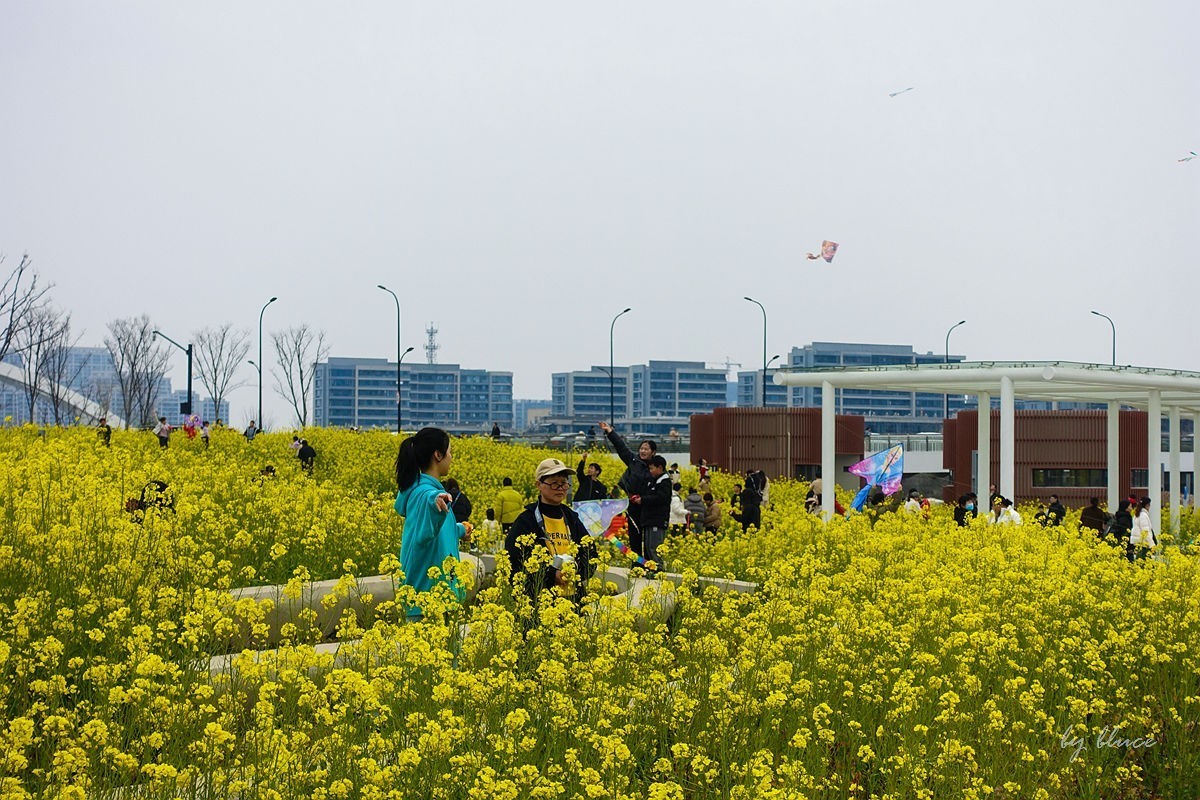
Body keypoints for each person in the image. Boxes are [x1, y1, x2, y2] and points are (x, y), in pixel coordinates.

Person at [394, 428, 471, 615]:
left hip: (440, 601)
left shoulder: (422, 490)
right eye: (450, 452)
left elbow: (433, 531)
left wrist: (460, 529)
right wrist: (436, 500)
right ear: (438, 455)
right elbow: (430, 503)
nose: (451, 457)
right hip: (426, 605)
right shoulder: (424, 494)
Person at [504, 458, 595, 605]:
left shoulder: (572, 518)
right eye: (554, 483)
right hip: (540, 604)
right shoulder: (526, 520)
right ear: (538, 484)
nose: (560, 488)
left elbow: (591, 554)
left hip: (573, 601)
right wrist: (551, 575)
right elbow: (515, 562)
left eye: (564, 483)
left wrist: (575, 571)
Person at [598, 420, 655, 554]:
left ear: (653, 452)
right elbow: (621, 447)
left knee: (648, 538)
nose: (643, 451)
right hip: (633, 504)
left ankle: (649, 564)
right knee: (634, 535)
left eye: (646, 449)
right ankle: (637, 563)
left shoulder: (656, 467)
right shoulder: (634, 461)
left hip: (648, 506)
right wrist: (610, 431)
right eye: (641, 448)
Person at [629, 455, 672, 567]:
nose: (650, 471)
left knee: (654, 549)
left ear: (660, 468)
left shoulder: (665, 482)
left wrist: (642, 500)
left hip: (657, 520)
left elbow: (660, 498)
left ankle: (658, 571)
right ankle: (650, 571)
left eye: (652, 468)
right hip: (649, 520)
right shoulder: (654, 481)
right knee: (648, 548)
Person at [1128, 496, 1156, 561]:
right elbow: (1146, 532)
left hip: (1137, 543)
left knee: (1139, 562)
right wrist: (1152, 545)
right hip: (1143, 543)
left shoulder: (1137, 514)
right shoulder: (1143, 515)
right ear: (1147, 505)